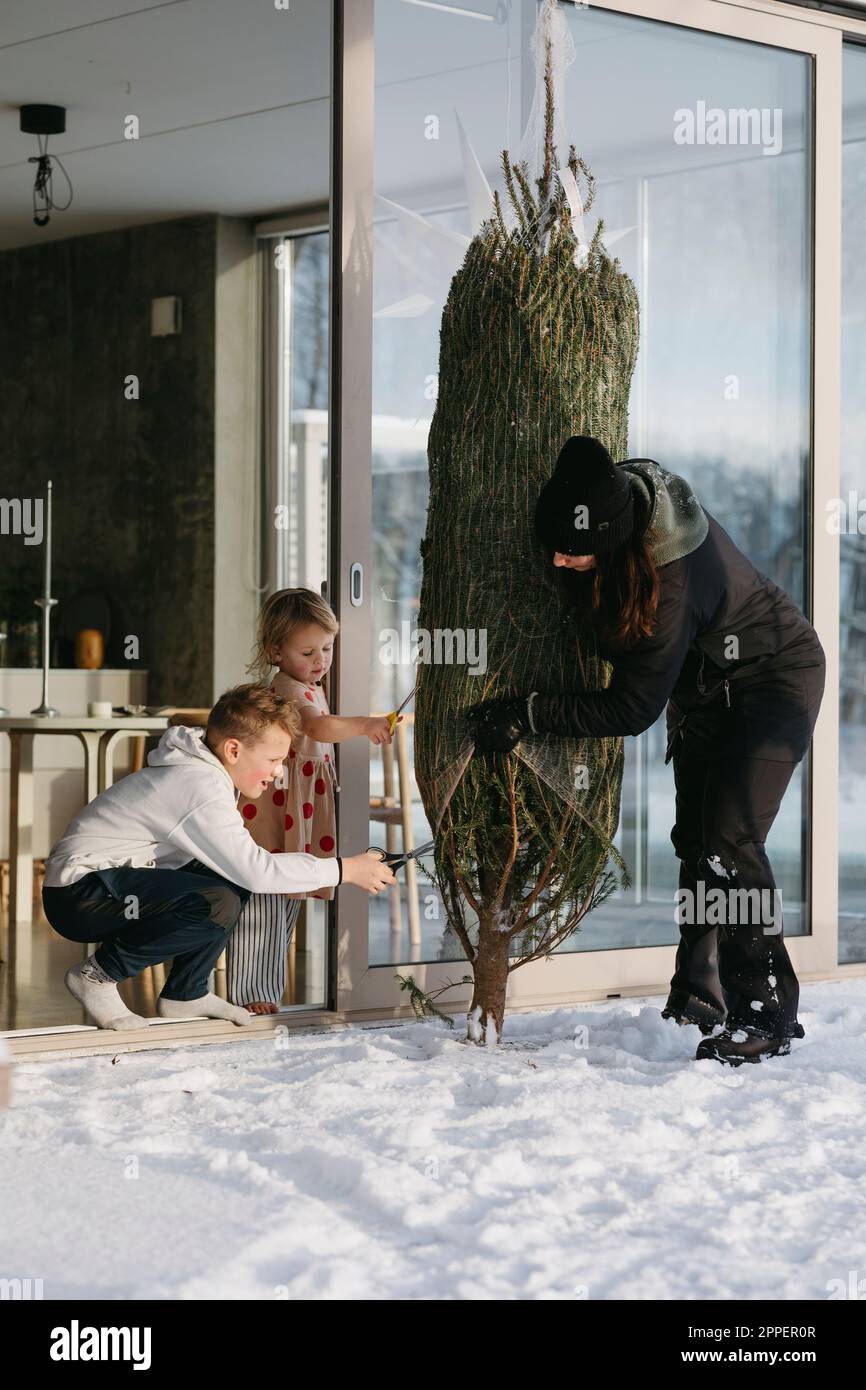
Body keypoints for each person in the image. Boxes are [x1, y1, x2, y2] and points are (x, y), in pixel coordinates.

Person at [467, 435, 825, 1067]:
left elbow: (632, 710)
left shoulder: (668, 581)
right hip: (709, 692)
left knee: (729, 842)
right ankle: (699, 991)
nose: (557, 559)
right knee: (696, 842)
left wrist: (529, 713)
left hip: (772, 679)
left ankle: (765, 1011)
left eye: (572, 553)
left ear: (612, 545)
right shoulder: (620, 502)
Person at [41, 683, 394, 1031]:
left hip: (108, 884)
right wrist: (343, 869)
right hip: (79, 895)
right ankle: (97, 976)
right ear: (233, 750)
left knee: (228, 878)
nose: (278, 771)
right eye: (272, 760)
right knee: (218, 898)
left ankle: (186, 993)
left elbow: (244, 869)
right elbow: (258, 871)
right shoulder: (200, 788)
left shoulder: (205, 772)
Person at [227, 588, 401, 1013]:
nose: (320, 660)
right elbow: (318, 729)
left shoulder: (310, 684)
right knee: (265, 897)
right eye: (308, 651)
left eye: (326, 648)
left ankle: (262, 988)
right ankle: (251, 993)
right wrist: (364, 724)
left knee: (285, 896)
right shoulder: (287, 688)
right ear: (276, 650)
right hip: (278, 810)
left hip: (298, 808)